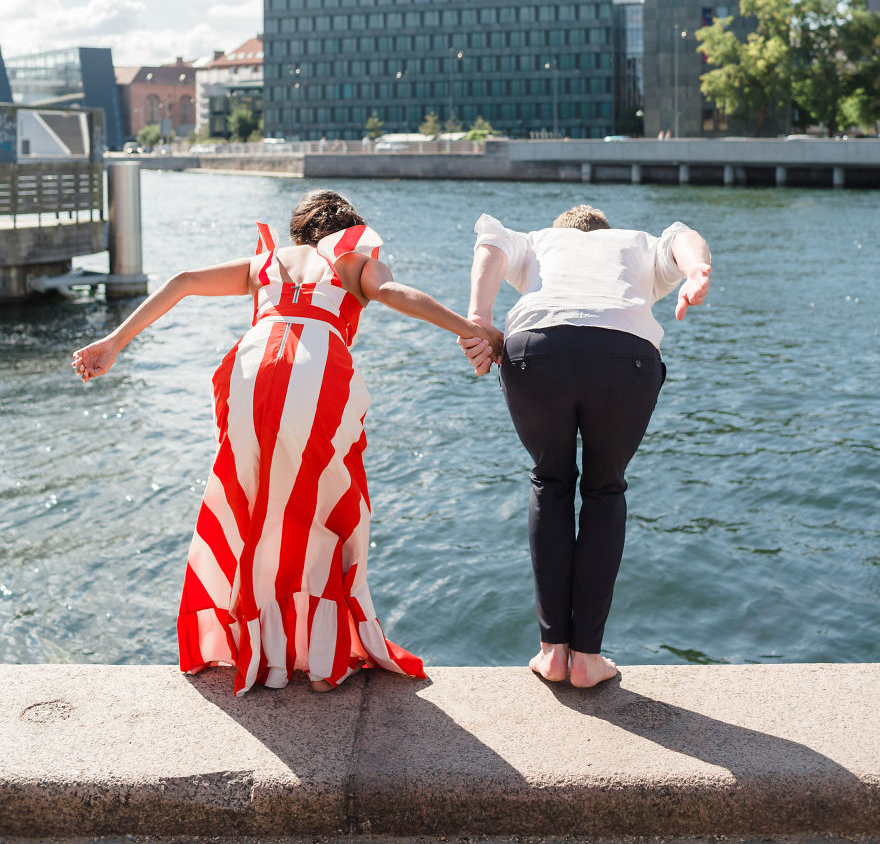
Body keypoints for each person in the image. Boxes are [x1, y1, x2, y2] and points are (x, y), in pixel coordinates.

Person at [72, 188, 501, 695]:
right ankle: (321, 662)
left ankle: (262, 651)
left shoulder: (269, 261)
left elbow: (183, 281)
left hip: (249, 371)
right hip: (316, 373)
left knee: (255, 506)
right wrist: (474, 331)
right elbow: (392, 293)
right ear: (349, 228)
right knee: (328, 509)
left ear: (299, 228)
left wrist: (114, 342)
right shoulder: (353, 259)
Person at [458, 204, 711, 689]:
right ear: (604, 230)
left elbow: (492, 239)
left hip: (537, 349)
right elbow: (682, 236)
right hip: (625, 354)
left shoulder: (538, 240)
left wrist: (479, 318)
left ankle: (553, 653)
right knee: (604, 490)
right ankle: (587, 659)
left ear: (564, 230)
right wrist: (697, 268)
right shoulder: (635, 243)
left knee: (550, 481)